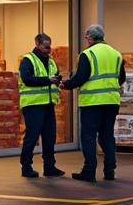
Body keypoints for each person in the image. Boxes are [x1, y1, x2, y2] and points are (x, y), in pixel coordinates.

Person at [60, 24, 126, 182]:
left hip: (92, 102)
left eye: (86, 36)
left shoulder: (87, 54)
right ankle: (110, 170)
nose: (86, 39)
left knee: (88, 136)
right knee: (107, 135)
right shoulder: (116, 54)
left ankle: (89, 171)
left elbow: (80, 77)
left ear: (90, 37)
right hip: (111, 102)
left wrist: (65, 84)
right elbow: (121, 78)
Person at [16, 34, 64, 178]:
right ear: (37, 44)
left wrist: (58, 81)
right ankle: (26, 167)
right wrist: (48, 80)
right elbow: (27, 79)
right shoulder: (28, 60)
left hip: (48, 104)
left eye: (49, 46)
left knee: (50, 136)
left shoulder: (51, 61)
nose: (48, 49)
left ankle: (49, 167)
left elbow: (54, 77)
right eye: (45, 46)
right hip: (33, 104)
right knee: (32, 136)